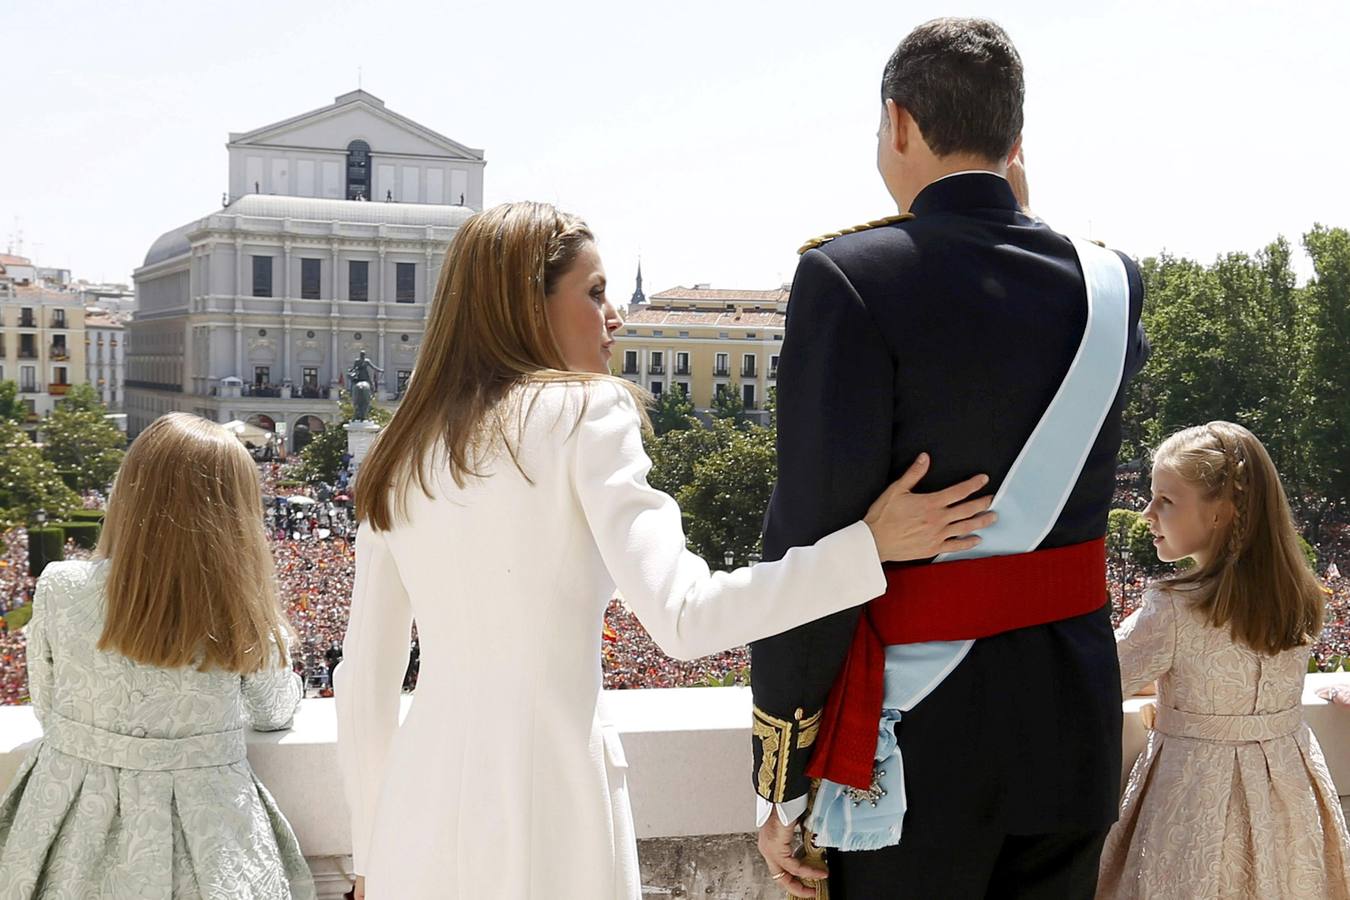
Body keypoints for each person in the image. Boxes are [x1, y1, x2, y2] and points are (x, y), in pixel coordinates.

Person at [334, 201, 997, 900]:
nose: (615, 315)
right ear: (529, 308)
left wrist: (369, 856)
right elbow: (685, 618)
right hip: (551, 812)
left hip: (413, 821)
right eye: (594, 293)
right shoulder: (587, 413)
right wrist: (868, 547)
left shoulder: (398, 448)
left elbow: (365, 680)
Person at [748, 18, 1149, 899]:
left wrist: (783, 769)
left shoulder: (847, 277)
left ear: (898, 122)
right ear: (1015, 141)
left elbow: (808, 538)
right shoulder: (1113, 282)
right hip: (1071, 726)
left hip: (916, 749)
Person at [0, 413, 314, 898]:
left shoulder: (61, 586)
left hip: (72, 821)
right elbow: (273, 712)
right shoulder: (245, 611)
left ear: (130, 492)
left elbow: (47, 707)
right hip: (208, 837)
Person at [1097, 422, 1350, 898]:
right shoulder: (1301, 599)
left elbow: (1098, 681)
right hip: (1289, 794)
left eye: (1165, 501)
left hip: (1196, 799)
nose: (1146, 513)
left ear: (1221, 513)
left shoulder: (1173, 608)